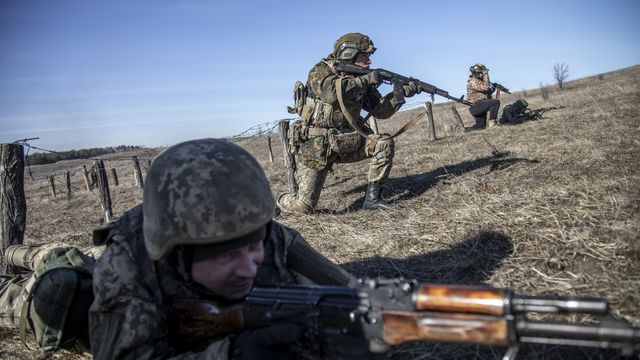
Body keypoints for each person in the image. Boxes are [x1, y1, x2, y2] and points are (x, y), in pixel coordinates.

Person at [88, 138, 358, 359]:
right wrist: (232, 353)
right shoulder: (125, 268)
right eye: (225, 255)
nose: (248, 269)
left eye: (253, 247)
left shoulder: (266, 233)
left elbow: (350, 293)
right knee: (60, 285)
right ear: (177, 253)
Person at [277, 32, 421, 214]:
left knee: (383, 143)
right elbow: (330, 92)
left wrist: (400, 95)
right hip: (317, 146)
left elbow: (380, 111)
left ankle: (372, 200)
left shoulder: (363, 78)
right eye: (365, 56)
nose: (369, 61)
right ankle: (279, 200)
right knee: (304, 207)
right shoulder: (320, 71)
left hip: (348, 140)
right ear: (348, 53)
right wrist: (364, 81)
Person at [466, 63, 501, 129]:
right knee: (496, 102)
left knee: (480, 128)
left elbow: (486, 92)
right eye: (482, 73)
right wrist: (485, 74)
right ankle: (493, 123)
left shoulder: (478, 81)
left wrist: (492, 89)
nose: (482, 75)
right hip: (477, 106)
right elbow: (485, 88)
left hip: (479, 106)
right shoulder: (473, 81)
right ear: (478, 73)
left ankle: (465, 130)